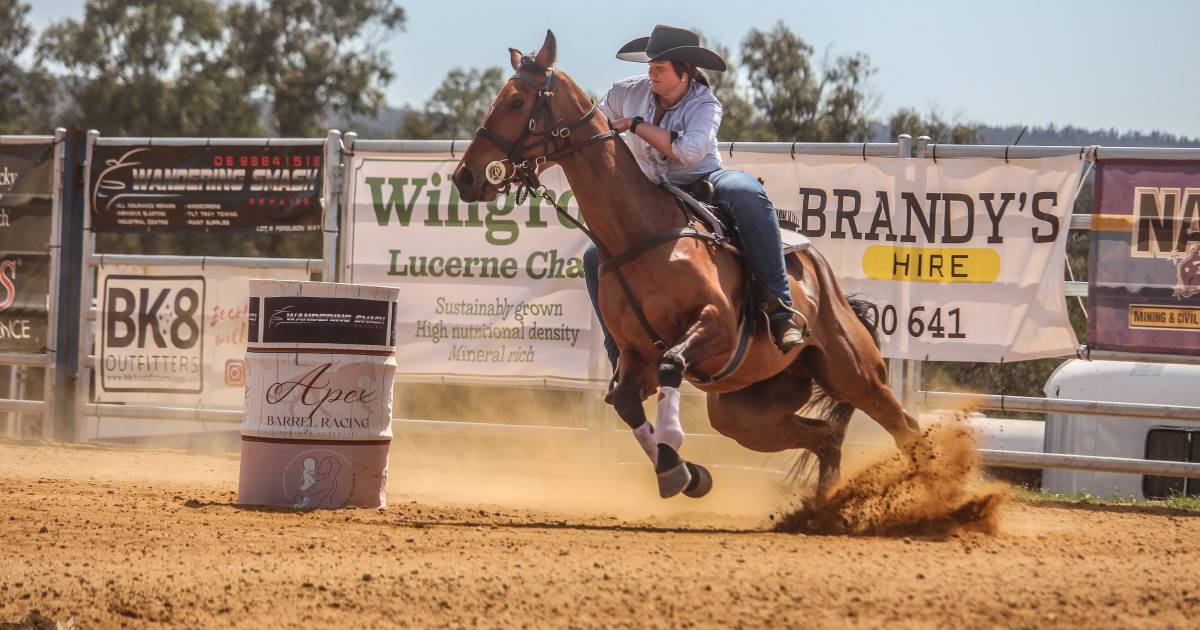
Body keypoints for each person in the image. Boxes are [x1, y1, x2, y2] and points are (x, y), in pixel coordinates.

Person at [584, 24, 804, 369]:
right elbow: (593, 128)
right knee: (593, 254)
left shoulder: (706, 104)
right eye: (650, 65)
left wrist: (636, 125)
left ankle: (779, 309)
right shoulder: (625, 92)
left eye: (660, 67)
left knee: (746, 193)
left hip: (704, 181)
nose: (650, 72)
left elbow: (688, 153)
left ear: (684, 72)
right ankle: (619, 352)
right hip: (651, 192)